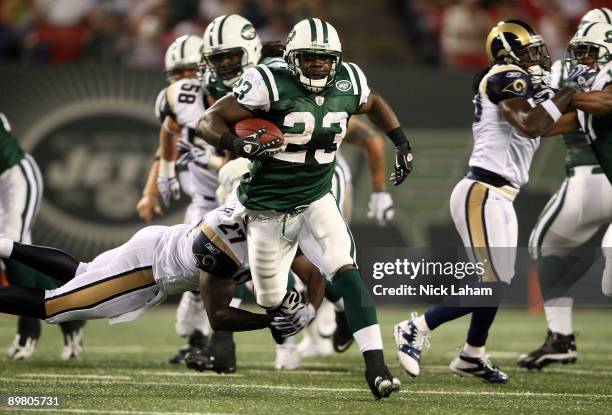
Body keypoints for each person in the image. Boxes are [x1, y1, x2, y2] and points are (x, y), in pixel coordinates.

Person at [196, 17, 412, 399]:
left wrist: (400, 141)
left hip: (315, 197)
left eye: (325, 59)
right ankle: (299, 314)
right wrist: (238, 142)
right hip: (265, 209)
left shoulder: (350, 79)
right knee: (272, 300)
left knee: (346, 272)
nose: (318, 65)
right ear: (293, 58)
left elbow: (373, 101)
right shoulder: (267, 81)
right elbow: (208, 121)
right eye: (310, 58)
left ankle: (376, 368)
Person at [393, 19, 576, 384]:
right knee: (492, 283)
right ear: (509, 55)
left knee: (498, 281)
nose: (537, 56)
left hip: (501, 195)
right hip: (483, 191)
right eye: (528, 51)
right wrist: (568, 94)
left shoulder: (522, 85)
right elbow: (531, 124)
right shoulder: (505, 75)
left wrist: (589, 115)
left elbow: (550, 124)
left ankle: (472, 355)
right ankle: (415, 327)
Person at [519, 21, 612, 370]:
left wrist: (567, 94)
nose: (585, 60)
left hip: (586, 180)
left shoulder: (582, 84)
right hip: (590, 181)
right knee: (545, 246)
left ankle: (560, 336)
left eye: (592, 52)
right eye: (581, 51)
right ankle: (559, 338)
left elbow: (603, 101)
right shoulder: (579, 87)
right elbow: (546, 126)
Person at [0, 112, 85, 361]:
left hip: (15, 179)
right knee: (12, 253)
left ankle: (30, 326)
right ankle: (69, 315)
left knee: (10, 247)